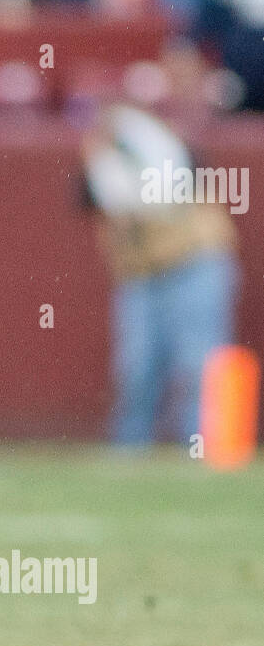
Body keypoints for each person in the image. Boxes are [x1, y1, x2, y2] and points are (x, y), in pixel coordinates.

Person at [81, 103, 239, 446]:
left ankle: (201, 452)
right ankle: (129, 453)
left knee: (199, 366)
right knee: (136, 370)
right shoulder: (102, 165)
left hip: (194, 262)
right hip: (142, 275)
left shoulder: (161, 145)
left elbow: (172, 193)